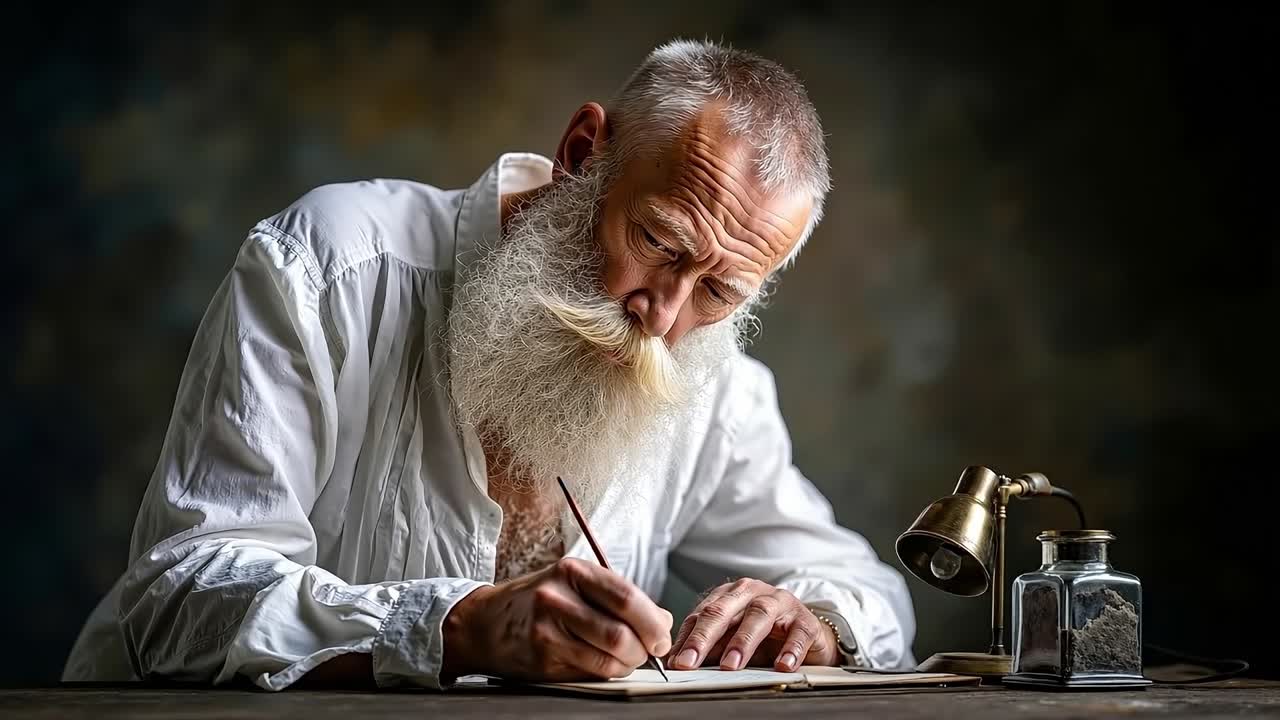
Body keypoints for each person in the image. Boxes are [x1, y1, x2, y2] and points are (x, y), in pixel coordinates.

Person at [63, 39, 916, 690]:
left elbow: (870, 590)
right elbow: (176, 597)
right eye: (659, 241)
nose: (663, 318)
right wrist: (458, 628)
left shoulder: (717, 387)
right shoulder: (329, 268)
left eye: (720, 289)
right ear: (583, 154)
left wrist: (814, 621)